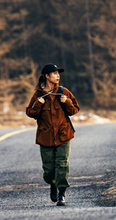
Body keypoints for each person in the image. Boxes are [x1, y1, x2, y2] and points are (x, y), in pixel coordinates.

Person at [25, 63, 80, 206]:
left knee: (62, 164)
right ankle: (53, 183)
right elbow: (30, 112)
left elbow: (74, 110)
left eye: (58, 73)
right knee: (49, 170)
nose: (58, 76)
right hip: (45, 137)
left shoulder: (63, 92)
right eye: (54, 74)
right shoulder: (38, 94)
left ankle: (62, 194)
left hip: (63, 134)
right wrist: (38, 104)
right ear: (46, 76)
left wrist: (67, 102)